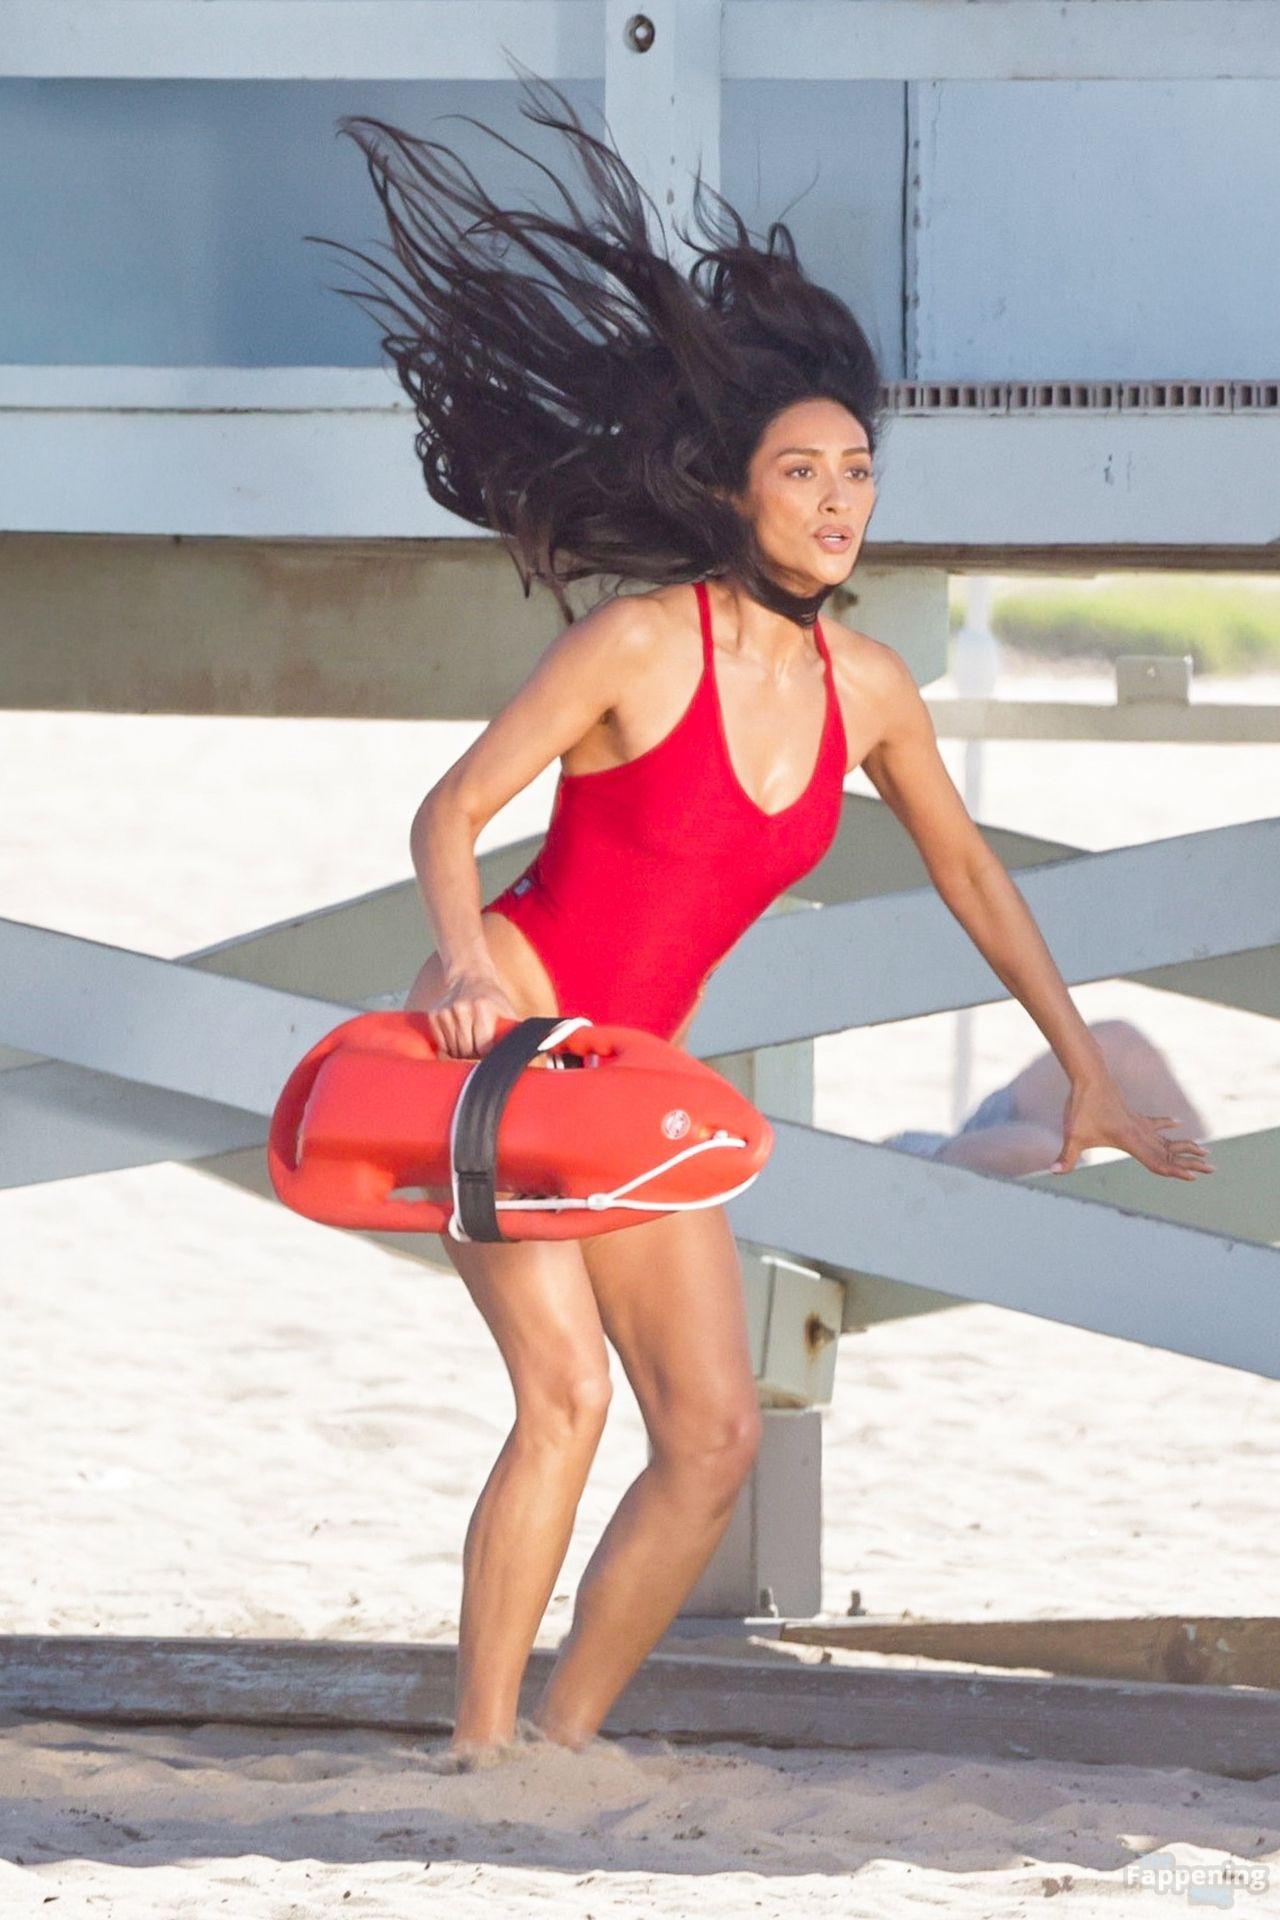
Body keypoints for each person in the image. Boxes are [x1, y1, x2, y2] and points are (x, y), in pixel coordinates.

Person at [307, 64, 1214, 1768]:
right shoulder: (640, 643)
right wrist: (465, 962)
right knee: (567, 1397)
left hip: (636, 1078)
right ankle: (479, 1760)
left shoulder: (869, 688)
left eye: (857, 471)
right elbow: (451, 813)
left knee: (713, 1437)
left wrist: (1081, 1062)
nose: (839, 499)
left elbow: (972, 877)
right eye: (803, 471)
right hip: (509, 1041)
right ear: (736, 489)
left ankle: (564, 1751)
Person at [884, 1019, 1210, 1176]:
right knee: (1045, 1154)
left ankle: (1212, 1201)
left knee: (1120, 1046)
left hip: (955, 1146)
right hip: (900, 1176)